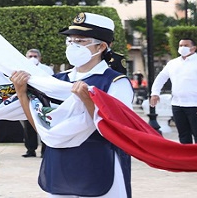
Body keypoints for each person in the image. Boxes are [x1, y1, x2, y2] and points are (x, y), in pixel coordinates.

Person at [11, 12, 134, 198]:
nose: (73, 45)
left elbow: (119, 129)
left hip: (98, 163)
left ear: (101, 46)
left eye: (81, 41)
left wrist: (87, 100)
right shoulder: (55, 82)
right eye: (70, 40)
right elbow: (42, 126)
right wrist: (21, 93)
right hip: (60, 164)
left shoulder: (115, 82)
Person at [150, 38, 197, 144]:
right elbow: (161, 77)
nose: (182, 48)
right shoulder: (173, 63)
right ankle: (187, 159)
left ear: (194, 48)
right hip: (177, 104)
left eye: (185, 45)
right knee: (183, 134)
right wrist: (155, 93)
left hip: (195, 105)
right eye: (180, 45)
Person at [21, 48, 53, 158]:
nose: (33, 58)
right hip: (28, 98)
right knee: (28, 124)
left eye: (35, 56)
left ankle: (45, 150)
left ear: (40, 58)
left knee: (45, 123)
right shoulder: (21, 69)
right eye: (30, 56)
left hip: (43, 99)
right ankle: (30, 149)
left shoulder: (47, 69)